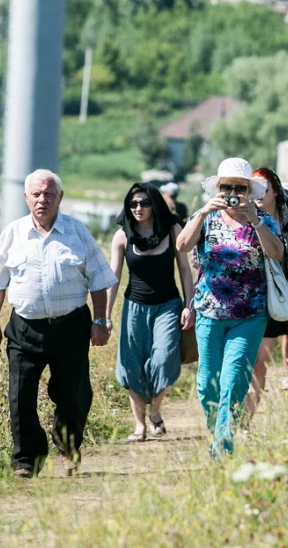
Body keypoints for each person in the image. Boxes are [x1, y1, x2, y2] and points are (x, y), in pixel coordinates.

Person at [0, 169, 118, 478]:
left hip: (70, 327)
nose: (42, 199)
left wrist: (100, 320)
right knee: (20, 397)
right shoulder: (13, 233)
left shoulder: (77, 232)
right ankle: (27, 459)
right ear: (26, 197)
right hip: (25, 328)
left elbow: (99, 278)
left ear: (60, 197)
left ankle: (68, 448)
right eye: (36, 194)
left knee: (72, 396)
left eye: (48, 193)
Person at [176, 158, 284, 457]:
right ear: (218, 189)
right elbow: (182, 246)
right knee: (206, 385)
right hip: (210, 311)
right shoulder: (207, 217)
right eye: (227, 187)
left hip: (249, 314)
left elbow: (277, 254)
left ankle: (223, 447)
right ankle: (218, 432)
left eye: (239, 188)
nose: (232, 193)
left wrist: (257, 220)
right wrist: (201, 213)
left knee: (233, 380)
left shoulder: (262, 219)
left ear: (250, 191)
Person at [107, 183, 195, 442]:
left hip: (168, 305)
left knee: (164, 358)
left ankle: (154, 410)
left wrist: (189, 305)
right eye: (133, 203)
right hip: (134, 307)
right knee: (131, 364)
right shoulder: (122, 237)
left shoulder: (173, 229)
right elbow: (113, 277)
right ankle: (139, 425)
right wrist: (105, 315)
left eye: (144, 202)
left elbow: (185, 270)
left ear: (154, 204)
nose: (138, 208)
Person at [246, 168, 288, 419]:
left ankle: (247, 417)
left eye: (264, 188)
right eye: (254, 188)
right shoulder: (244, 215)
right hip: (250, 294)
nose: (259, 194)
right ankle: (242, 413)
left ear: (276, 191)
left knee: (261, 360)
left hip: (279, 293)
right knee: (254, 361)